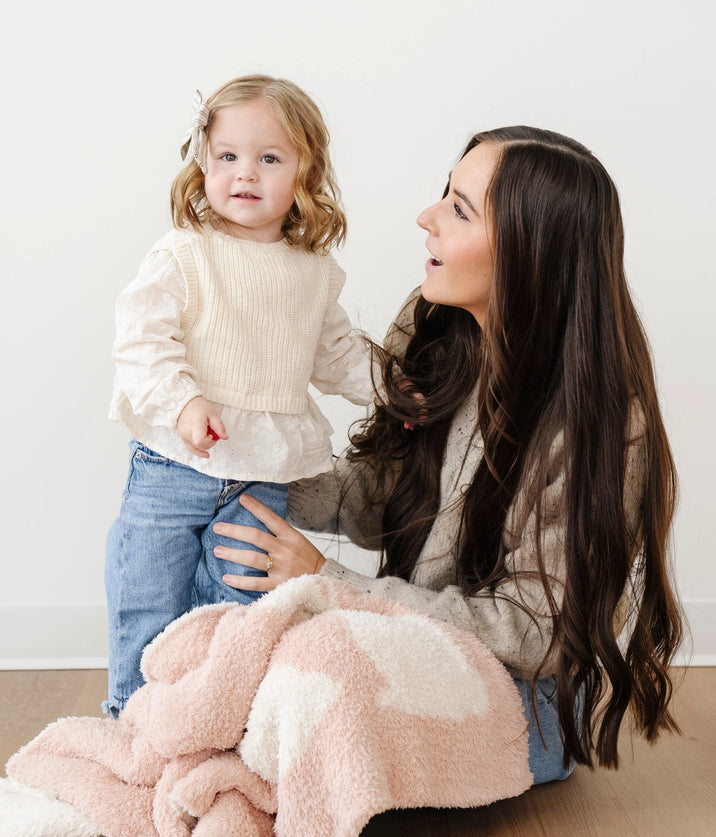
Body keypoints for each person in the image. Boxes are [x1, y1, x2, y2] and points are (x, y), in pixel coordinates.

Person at [208, 126, 684, 781]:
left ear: (527, 255)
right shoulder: (436, 326)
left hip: (511, 701)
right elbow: (384, 495)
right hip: (394, 636)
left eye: (458, 209)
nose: (425, 217)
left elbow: (530, 633)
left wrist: (331, 587)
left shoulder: (601, 424)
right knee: (226, 554)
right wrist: (254, 474)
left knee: (311, 676)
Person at [103, 75, 374, 718]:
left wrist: (401, 393)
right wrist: (182, 403)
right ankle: (130, 718)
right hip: (174, 465)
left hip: (260, 474)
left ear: (305, 171)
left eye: (269, 159)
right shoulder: (184, 254)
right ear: (202, 165)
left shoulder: (313, 273)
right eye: (227, 156)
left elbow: (336, 354)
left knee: (239, 603)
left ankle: (210, 719)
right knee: (147, 591)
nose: (244, 173)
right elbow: (143, 339)